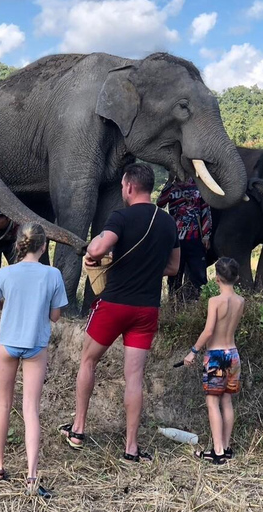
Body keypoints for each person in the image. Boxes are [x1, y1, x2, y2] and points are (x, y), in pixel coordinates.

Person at [58, 162, 180, 462]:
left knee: (88, 361)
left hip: (114, 305)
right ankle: (131, 447)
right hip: (147, 309)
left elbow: (98, 250)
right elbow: (174, 267)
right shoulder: (168, 223)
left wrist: (96, 249)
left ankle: (78, 429)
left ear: (128, 187)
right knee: (134, 377)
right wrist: (148, 270)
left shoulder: (121, 217)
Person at [0, 223, 68, 498]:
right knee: (31, 409)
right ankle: (32, 477)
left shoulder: (7, 273)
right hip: (35, 345)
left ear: (19, 244)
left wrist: (10, 303)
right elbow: (55, 316)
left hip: (7, 343)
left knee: (3, 403)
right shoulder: (52, 274)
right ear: (44, 247)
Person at [183, 257, 244, 465]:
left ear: (217, 278)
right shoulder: (240, 301)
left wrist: (193, 351)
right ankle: (225, 448)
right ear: (235, 277)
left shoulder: (215, 302)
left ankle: (217, 452)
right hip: (233, 355)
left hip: (216, 356)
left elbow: (209, 331)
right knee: (227, 401)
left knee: (212, 402)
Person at [156, 176, 212, 302]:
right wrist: (170, 182)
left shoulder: (199, 185)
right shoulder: (171, 186)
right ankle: (174, 305)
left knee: (199, 276)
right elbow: (160, 203)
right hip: (176, 241)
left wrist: (206, 234)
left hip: (195, 238)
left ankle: (201, 305)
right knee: (174, 277)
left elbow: (205, 210)